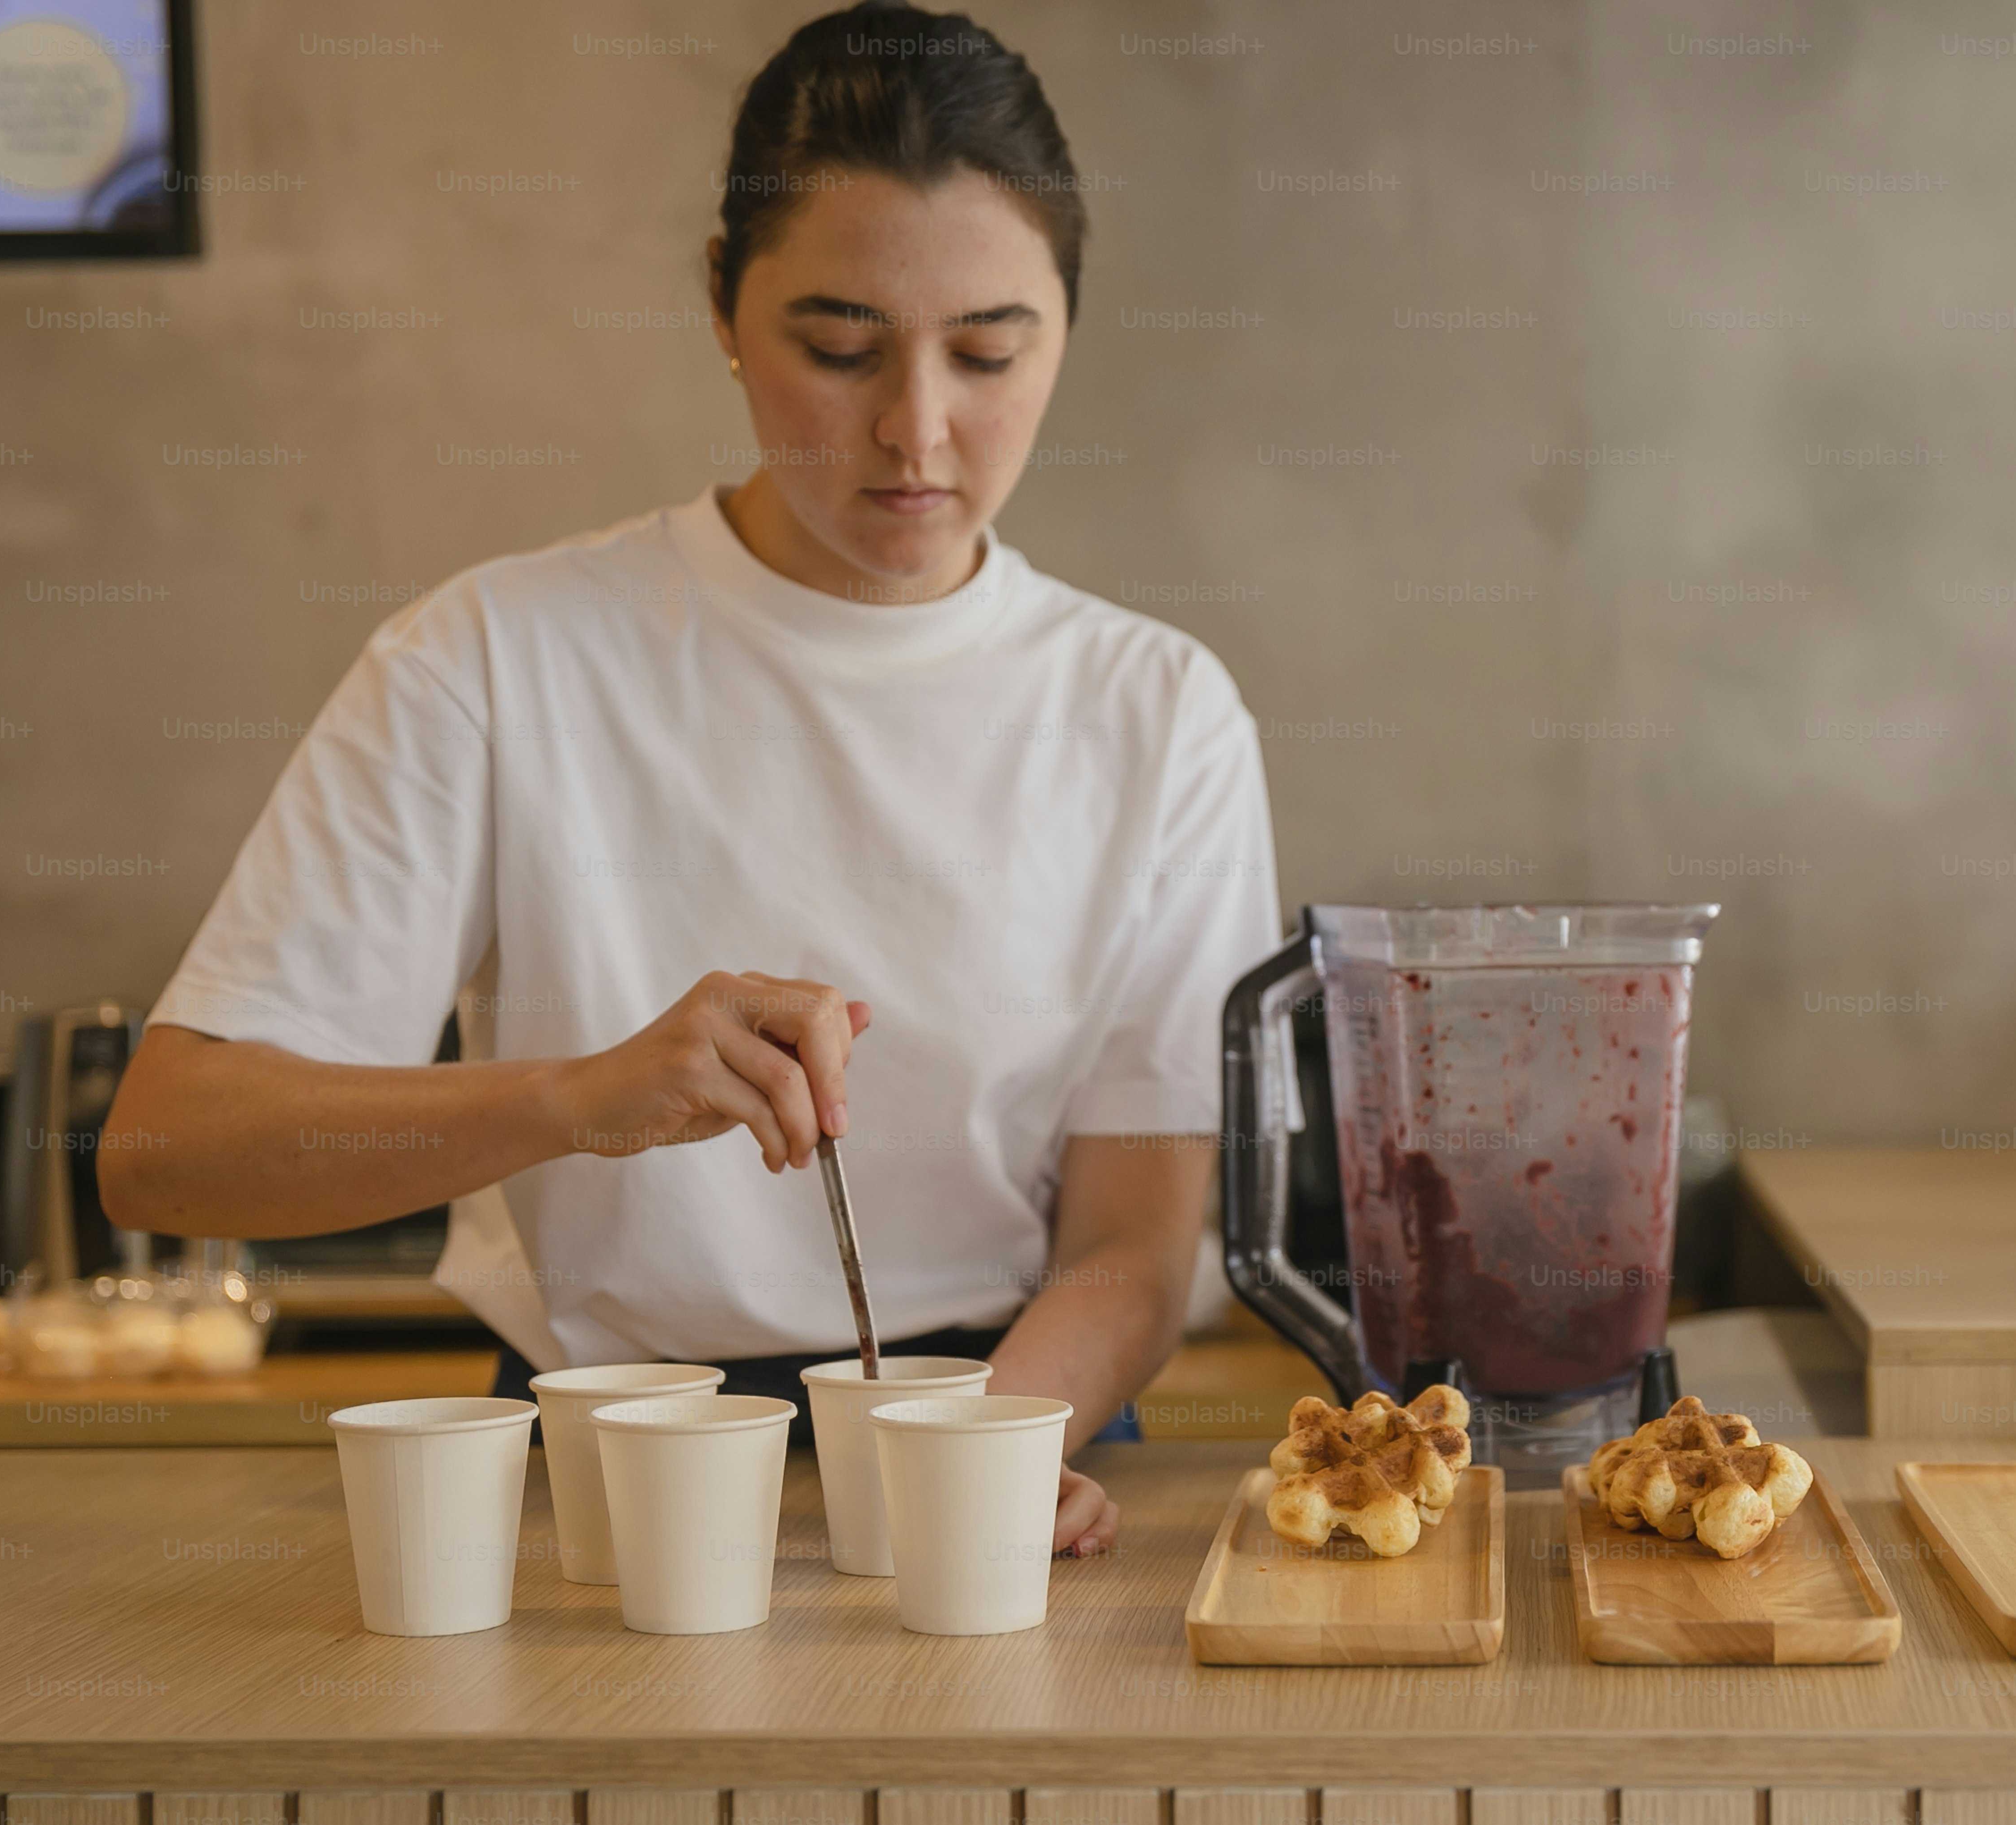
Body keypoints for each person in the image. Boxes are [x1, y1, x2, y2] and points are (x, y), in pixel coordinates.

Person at [99, 2, 1281, 1557]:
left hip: (1015, 1424)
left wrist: (973, 1449)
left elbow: (1134, 1235)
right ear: (723, 305)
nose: (916, 430)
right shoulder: (494, 658)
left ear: (1066, 324)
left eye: (990, 350)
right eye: (838, 346)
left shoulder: (1154, 709)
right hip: (596, 1463)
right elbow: (168, 1145)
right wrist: (579, 1096)